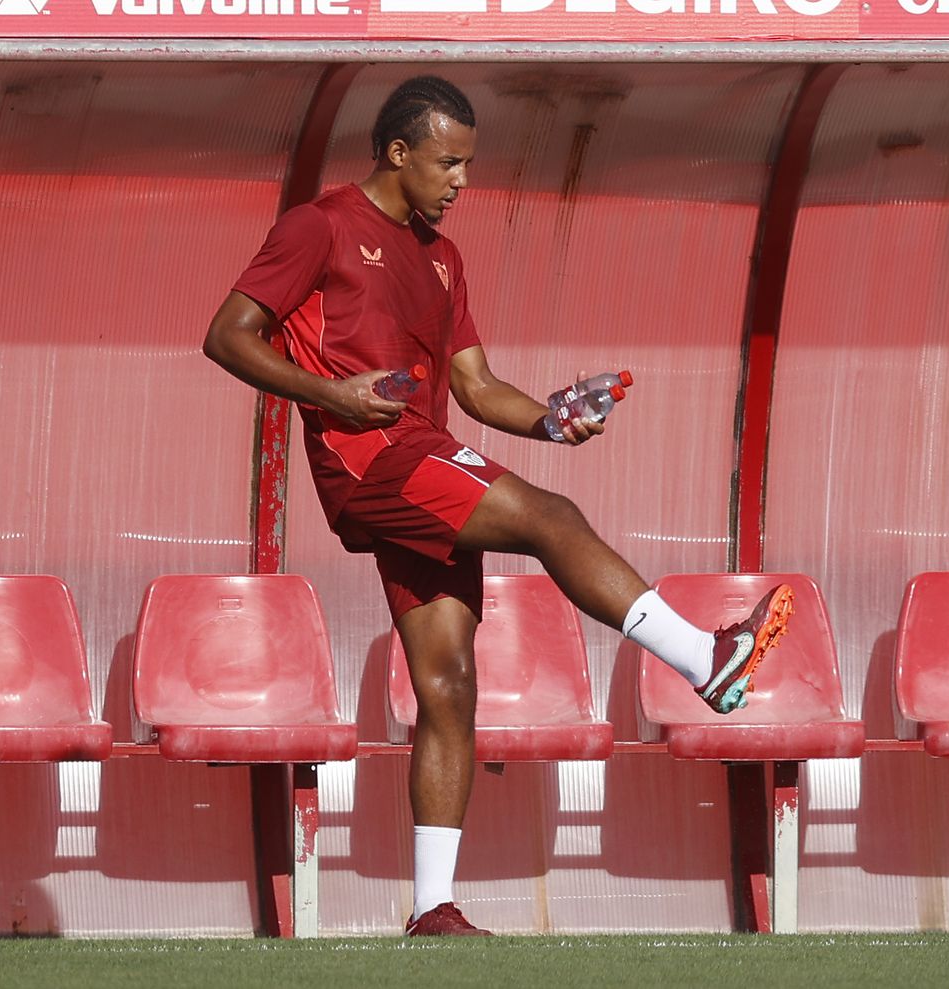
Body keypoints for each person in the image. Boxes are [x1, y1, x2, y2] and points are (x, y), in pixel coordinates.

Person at [203, 75, 794, 937]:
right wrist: (328, 392)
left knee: (449, 687)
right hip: (376, 459)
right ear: (398, 153)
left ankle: (431, 909)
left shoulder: (443, 257)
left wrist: (556, 417)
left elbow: (478, 388)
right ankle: (708, 658)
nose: (460, 180)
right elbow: (226, 334)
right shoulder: (320, 226)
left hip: (422, 465)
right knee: (550, 518)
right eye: (447, 161)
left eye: (468, 164)